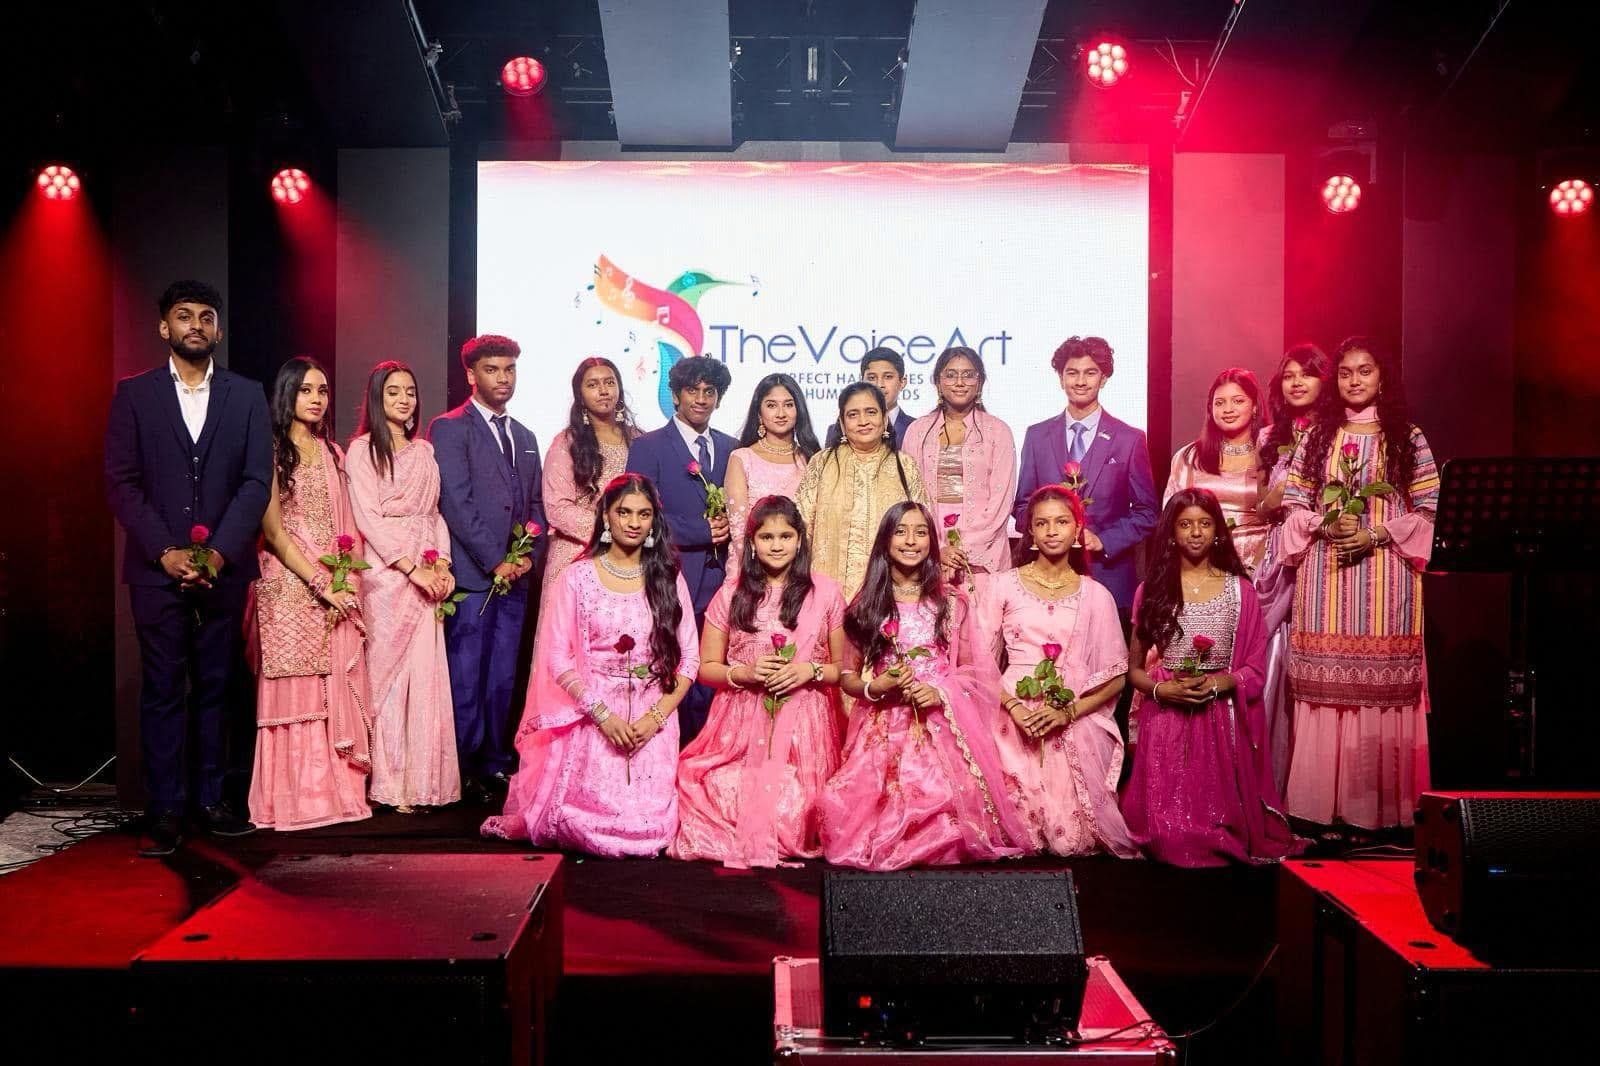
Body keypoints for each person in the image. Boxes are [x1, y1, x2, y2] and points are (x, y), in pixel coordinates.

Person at [105, 280, 272, 856]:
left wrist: (219, 552)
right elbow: (122, 483)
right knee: (163, 689)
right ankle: (165, 809)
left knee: (216, 688)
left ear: (218, 330)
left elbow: (256, 482)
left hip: (224, 570)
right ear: (164, 327)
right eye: (183, 316)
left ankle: (211, 802)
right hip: (156, 572)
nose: (195, 325)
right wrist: (164, 551)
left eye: (205, 316)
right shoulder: (135, 395)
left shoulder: (246, 395)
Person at [483, 474, 701, 856]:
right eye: (624, 512)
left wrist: (655, 718)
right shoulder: (577, 577)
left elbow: (689, 659)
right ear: (606, 516)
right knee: (579, 824)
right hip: (593, 716)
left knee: (654, 830)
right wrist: (602, 715)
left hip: (652, 717)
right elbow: (557, 658)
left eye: (644, 514)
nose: (633, 523)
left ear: (654, 521)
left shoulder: (668, 577)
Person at [1278, 338, 1438, 836]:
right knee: (1325, 688)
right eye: (1345, 372)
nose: (1354, 380)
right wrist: (1326, 524)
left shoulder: (1407, 437)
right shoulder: (1317, 436)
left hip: (1387, 577)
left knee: (1383, 687)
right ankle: (1318, 809)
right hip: (1325, 577)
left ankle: (1383, 813)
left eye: (1364, 370)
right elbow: (1293, 505)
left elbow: (1429, 510)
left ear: (1382, 376)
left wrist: (1376, 533)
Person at [819, 502, 1029, 869]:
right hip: (883, 725)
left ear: (932, 541)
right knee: (855, 812)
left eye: (920, 532)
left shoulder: (951, 602)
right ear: (885, 542)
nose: (910, 541)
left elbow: (973, 672)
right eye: (900, 532)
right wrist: (875, 687)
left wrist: (940, 691)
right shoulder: (867, 603)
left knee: (945, 801)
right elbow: (848, 676)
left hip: (940, 724)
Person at [1121, 489, 1301, 865]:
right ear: (1171, 533)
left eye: (1204, 523)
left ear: (1218, 531)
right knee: (1166, 837)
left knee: (1219, 830)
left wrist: (1218, 684)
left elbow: (1255, 668)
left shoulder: (1241, 591)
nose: (1195, 532)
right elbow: (1133, 670)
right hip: (1166, 717)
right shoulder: (1150, 591)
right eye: (1185, 524)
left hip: (1219, 718)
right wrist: (1162, 689)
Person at [671, 497, 845, 867]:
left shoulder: (826, 592)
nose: (777, 545)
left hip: (804, 727)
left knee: (792, 810)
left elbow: (842, 670)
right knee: (715, 791)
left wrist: (809, 671)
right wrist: (745, 673)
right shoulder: (731, 593)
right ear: (752, 543)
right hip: (738, 725)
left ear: (800, 540)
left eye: (786, 536)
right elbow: (706, 668)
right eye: (767, 537)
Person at [247, 357, 372, 831]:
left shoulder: (333, 452)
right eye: (305, 390)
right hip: (288, 585)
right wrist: (320, 584)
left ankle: (334, 796)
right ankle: (293, 803)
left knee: (329, 688)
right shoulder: (271, 449)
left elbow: (347, 529)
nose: (317, 399)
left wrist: (344, 582)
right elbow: (274, 533)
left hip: (333, 585)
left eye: (322, 390)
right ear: (287, 395)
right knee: (295, 690)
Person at [977, 486, 1135, 857]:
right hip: (1009, 711)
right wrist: (1014, 708)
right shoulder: (1002, 586)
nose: (1051, 531)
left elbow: (1116, 675)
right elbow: (979, 662)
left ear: (1077, 529)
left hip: (1069, 715)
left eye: (1061, 522)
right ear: (1029, 531)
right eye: (1042, 523)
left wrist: (1068, 713)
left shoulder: (1096, 595)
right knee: (1012, 834)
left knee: (1071, 841)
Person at [429, 335, 547, 805]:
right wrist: (496, 559)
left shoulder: (526, 437)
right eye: (493, 369)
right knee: (466, 678)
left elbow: (535, 505)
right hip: (475, 578)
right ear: (471, 375)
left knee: (502, 678)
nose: (503, 378)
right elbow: (456, 503)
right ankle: (461, 767)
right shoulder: (449, 428)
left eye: (510, 369)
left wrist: (526, 557)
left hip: (515, 578)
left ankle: (494, 762)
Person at [345, 361, 460, 812]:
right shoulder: (361, 451)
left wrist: (443, 563)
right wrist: (413, 570)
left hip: (428, 569)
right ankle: (388, 786)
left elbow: (434, 514)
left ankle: (423, 785)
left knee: (425, 676)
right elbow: (368, 518)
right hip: (388, 572)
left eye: (410, 391)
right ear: (377, 397)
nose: (404, 399)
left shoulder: (424, 451)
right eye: (393, 391)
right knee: (388, 679)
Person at [626, 355, 738, 742]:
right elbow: (639, 516)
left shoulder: (732, 448)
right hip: (674, 574)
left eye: (710, 391)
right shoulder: (648, 447)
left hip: (724, 580)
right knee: (675, 666)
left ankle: (704, 754)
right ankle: (674, 751)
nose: (701, 399)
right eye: (692, 390)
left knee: (713, 669)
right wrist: (700, 531)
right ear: (675, 396)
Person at [1013, 336, 1158, 617]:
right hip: (1045, 579)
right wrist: (1047, 532)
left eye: (1090, 373)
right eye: (1072, 372)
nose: (1080, 381)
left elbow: (1148, 512)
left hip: (1109, 578)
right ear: (1060, 378)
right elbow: (1022, 506)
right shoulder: (1037, 436)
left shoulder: (1129, 439)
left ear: (1104, 378)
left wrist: (1104, 540)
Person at [1252, 344, 1331, 793]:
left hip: (1322, 552)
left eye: (1307, 373)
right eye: (1289, 375)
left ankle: (1311, 782)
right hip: (1279, 553)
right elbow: (1262, 505)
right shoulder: (1269, 436)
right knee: (1271, 653)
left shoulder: (1337, 434)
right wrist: (1285, 490)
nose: (1297, 382)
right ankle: (1268, 782)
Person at [795, 382, 931, 601]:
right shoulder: (822, 463)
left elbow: (923, 526)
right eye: (853, 414)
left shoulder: (905, 466)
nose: (863, 421)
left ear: (884, 419)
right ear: (842, 423)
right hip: (827, 594)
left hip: (889, 594)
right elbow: (802, 527)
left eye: (871, 412)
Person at [904, 347, 1017, 584]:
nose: (959, 382)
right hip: (928, 549)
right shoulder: (917, 431)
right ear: (938, 382)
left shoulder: (998, 431)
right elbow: (910, 495)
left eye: (968, 375)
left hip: (984, 553)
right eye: (950, 375)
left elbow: (1001, 501)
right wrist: (937, 549)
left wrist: (960, 550)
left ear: (979, 381)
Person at [540, 357, 639, 606]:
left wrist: (626, 535)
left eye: (609, 382)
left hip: (629, 555)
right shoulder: (566, 443)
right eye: (593, 385)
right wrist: (611, 532)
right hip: (576, 555)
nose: (603, 390)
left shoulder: (639, 440)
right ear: (581, 396)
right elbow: (557, 509)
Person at [1164, 368, 1270, 574]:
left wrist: (1255, 567)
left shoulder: (1272, 455)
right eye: (1220, 403)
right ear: (1210, 409)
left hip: (1263, 564)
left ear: (1255, 406)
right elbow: (1171, 519)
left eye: (1238, 401)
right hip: (1201, 564)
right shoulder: (1188, 457)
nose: (1228, 409)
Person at [723, 373, 819, 580]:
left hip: (801, 571)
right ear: (759, 414)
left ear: (798, 411)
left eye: (788, 405)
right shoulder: (742, 458)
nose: (781, 413)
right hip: (750, 571)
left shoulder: (812, 460)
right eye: (771, 405)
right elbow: (739, 532)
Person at [824, 347, 915, 448]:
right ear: (862, 382)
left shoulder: (917, 428)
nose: (879, 385)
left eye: (888, 377)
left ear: (902, 382)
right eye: (872, 378)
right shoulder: (838, 431)